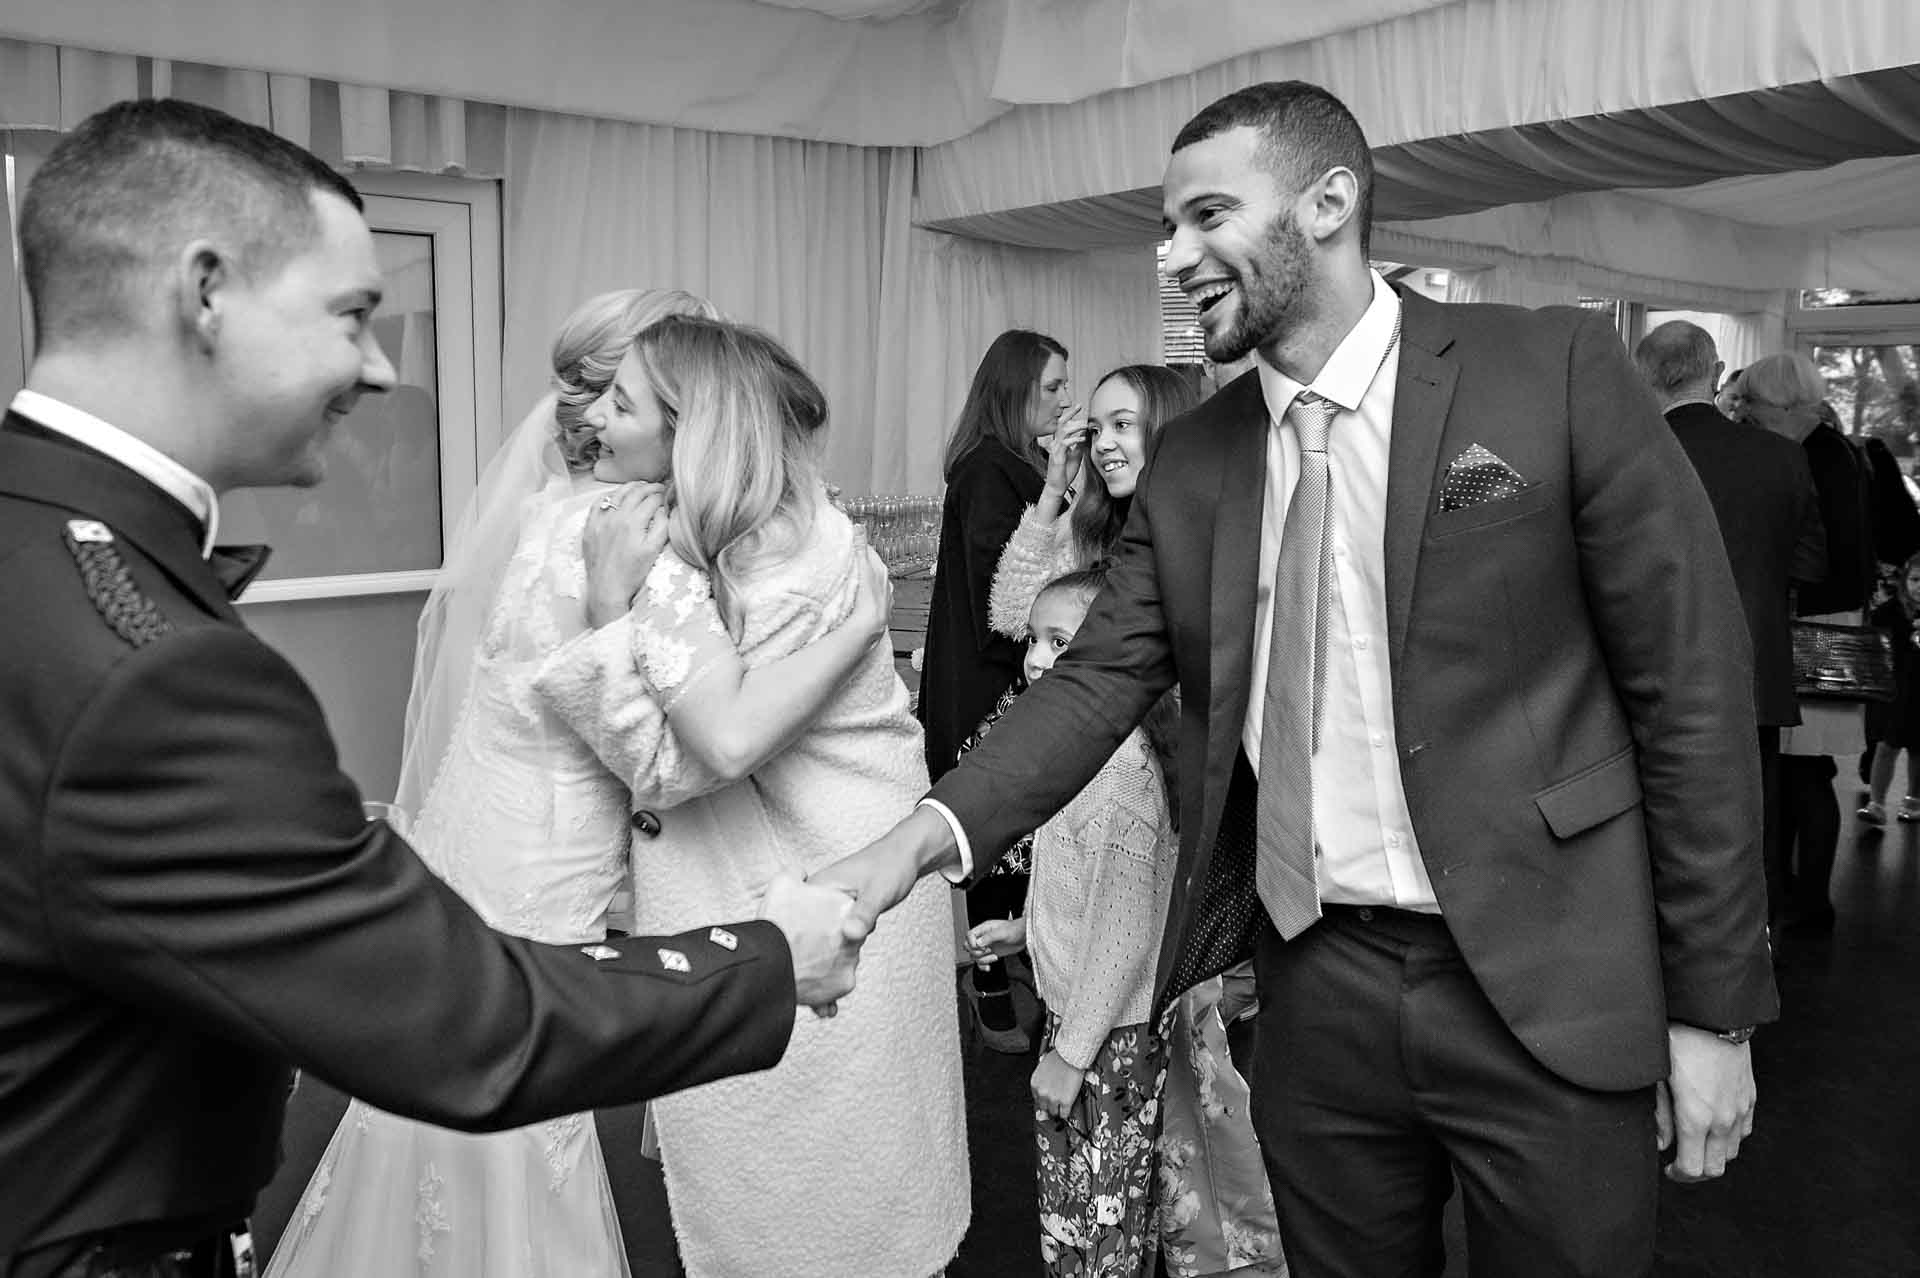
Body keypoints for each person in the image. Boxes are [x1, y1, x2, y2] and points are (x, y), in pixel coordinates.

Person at [821, 80, 1777, 1278]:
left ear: (1329, 202)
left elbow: (1691, 693)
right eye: (1167, 228)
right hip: (1316, 993)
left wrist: (1713, 1008)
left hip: (1550, 975)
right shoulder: (1197, 462)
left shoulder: (1552, 370)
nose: (1176, 256)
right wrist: (913, 843)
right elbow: (1091, 683)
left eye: (1207, 215)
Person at [0, 99, 864, 1278]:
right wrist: (765, 955)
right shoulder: (161, 668)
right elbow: (459, 1021)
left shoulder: (45, 541)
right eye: (352, 314)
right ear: (204, 293)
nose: (381, 362)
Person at [263, 288, 896, 1278]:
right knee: (525, 1060)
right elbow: (688, 756)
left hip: (472, 822)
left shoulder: (548, 511)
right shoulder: (640, 540)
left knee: (440, 1050)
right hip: (547, 846)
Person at [531, 314, 969, 1277]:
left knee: (837, 1205)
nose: (591, 416)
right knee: (835, 1194)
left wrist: (607, 621)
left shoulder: (771, 556)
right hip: (807, 882)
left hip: (833, 891)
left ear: (689, 431)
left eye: (623, 400)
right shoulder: (720, 539)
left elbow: (688, 762)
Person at [983, 361, 1281, 1274]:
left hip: (1195, 838)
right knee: (1142, 1116)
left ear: (1174, 433)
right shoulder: (1098, 539)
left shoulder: (1217, 538)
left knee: (1200, 1115)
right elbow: (1008, 614)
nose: (1106, 443)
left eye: (1125, 426)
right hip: (1122, 827)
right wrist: (1051, 495)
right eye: (1097, 427)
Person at [967, 567, 1178, 1277]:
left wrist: (1071, 1054)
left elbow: (1122, 940)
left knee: (1102, 1215)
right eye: (1034, 638)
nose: (1034, 657)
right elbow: (1077, 882)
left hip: (1107, 1037)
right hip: (1083, 1024)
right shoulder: (1078, 756)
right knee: (1073, 1205)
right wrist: (1025, 930)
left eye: (1060, 640)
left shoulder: (1120, 776)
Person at [1633, 320, 1827, 932]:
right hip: (1753, 665)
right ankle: (1752, 938)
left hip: (1652, 665)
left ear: (1642, 376)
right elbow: (1813, 564)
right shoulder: (1780, 455)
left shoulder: (1629, 451)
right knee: (1753, 817)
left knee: (1654, 818)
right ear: (1716, 376)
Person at [921, 327, 1073, 1051]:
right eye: (1052, 387)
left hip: (1009, 674)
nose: (1063, 400)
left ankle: (1007, 961)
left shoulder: (1018, 463)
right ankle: (985, 978)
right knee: (993, 833)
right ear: (1013, 390)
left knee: (1013, 834)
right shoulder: (990, 469)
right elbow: (999, 606)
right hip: (986, 683)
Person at [1744, 353, 1876, 935]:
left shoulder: (1819, 455)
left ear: (1783, 407)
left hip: (1815, 629)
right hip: (1821, 622)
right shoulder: (1831, 450)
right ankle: (1800, 892)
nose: (1745, 415)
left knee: (1805, 773)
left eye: (1754, 405)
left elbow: (1831, 557)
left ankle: (1809, 899)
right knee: (1802, 771)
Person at [1859, 552, 1920, 824]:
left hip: (1918, 692)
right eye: (1916, 579)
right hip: (1895, 691)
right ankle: (1877, 803)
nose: (1919, 586)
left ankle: (1913, 799)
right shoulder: (1890, 612)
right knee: (1886, 746)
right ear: (1905, 580)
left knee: (1918, 750)